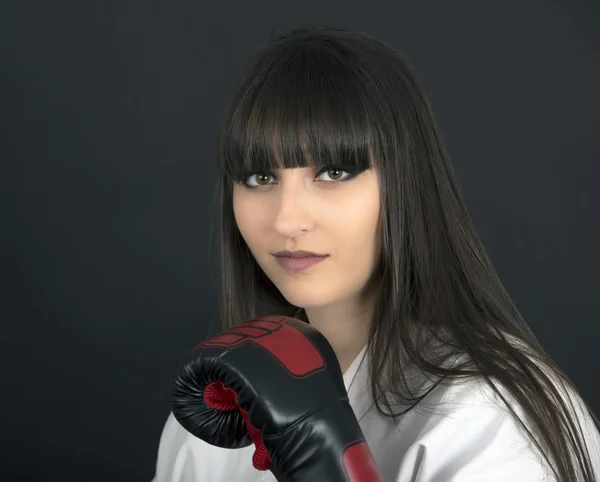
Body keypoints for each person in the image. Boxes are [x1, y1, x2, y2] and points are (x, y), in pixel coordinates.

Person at [151, 26, 600, 481]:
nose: (286, 220)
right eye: (260, 179)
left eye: (334, 171)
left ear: (405, 183)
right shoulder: (216, 414)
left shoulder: (488, 419)